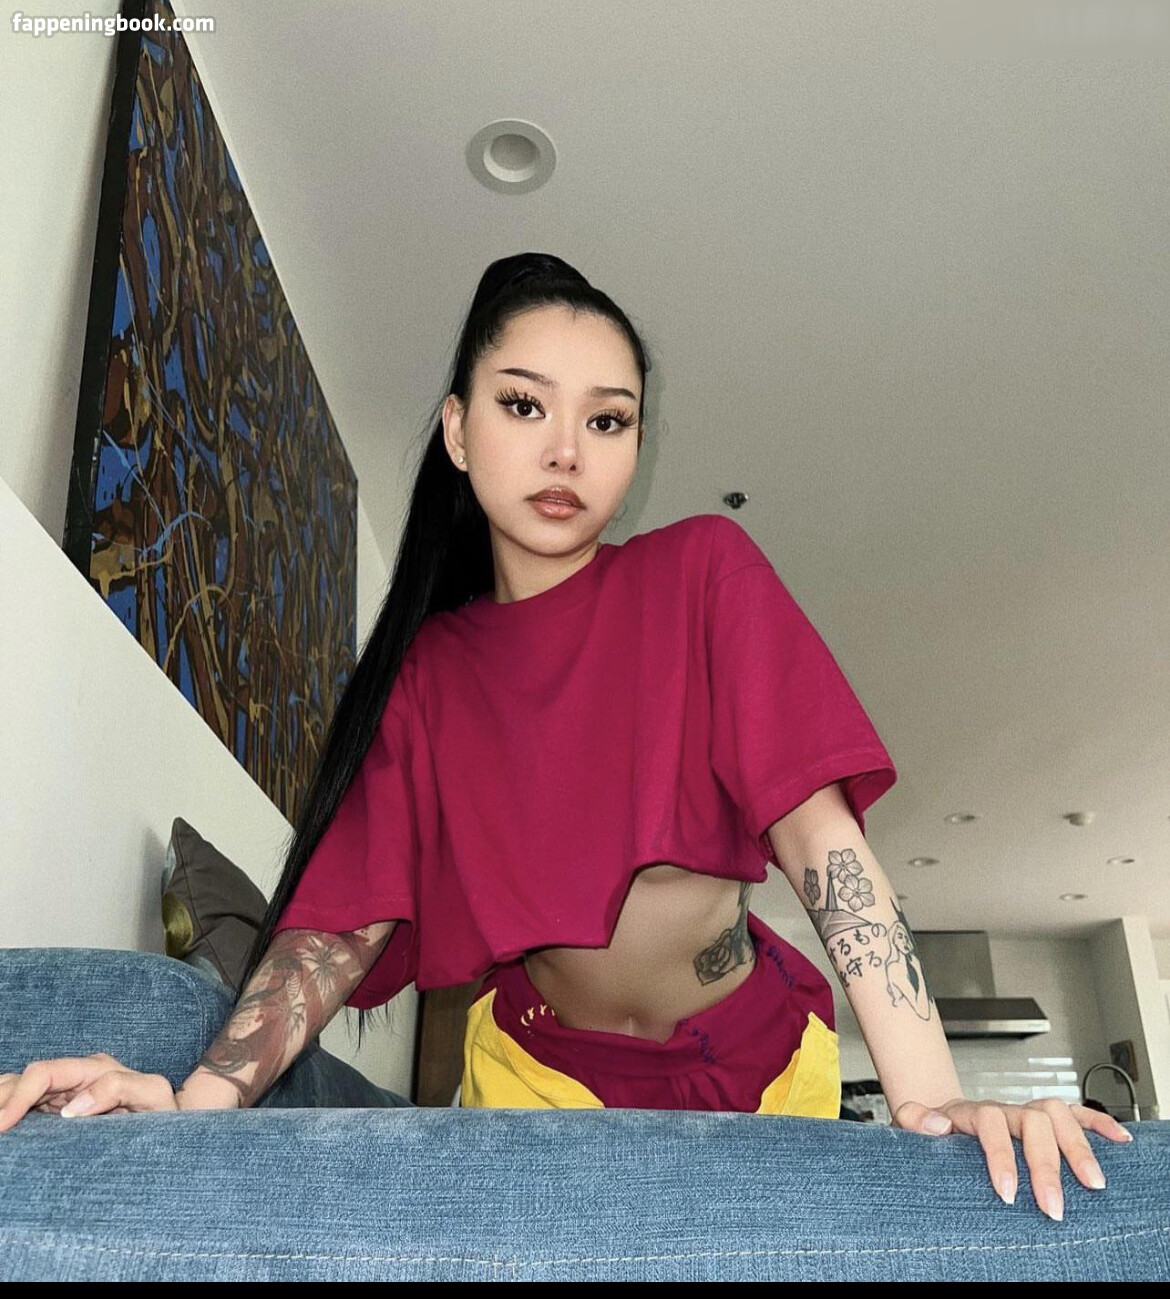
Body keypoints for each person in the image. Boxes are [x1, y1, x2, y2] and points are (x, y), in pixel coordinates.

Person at [0, 253, 1136, 1223]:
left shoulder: (703, 573)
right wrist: (189, 1105)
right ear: (457, 429)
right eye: (523, 406)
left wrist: (933, 1104)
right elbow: (336, 933)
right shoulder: (431, 675)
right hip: (537, 1079)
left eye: (607, 419)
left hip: (758, 1061)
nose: (566, 452)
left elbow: (823, 846)